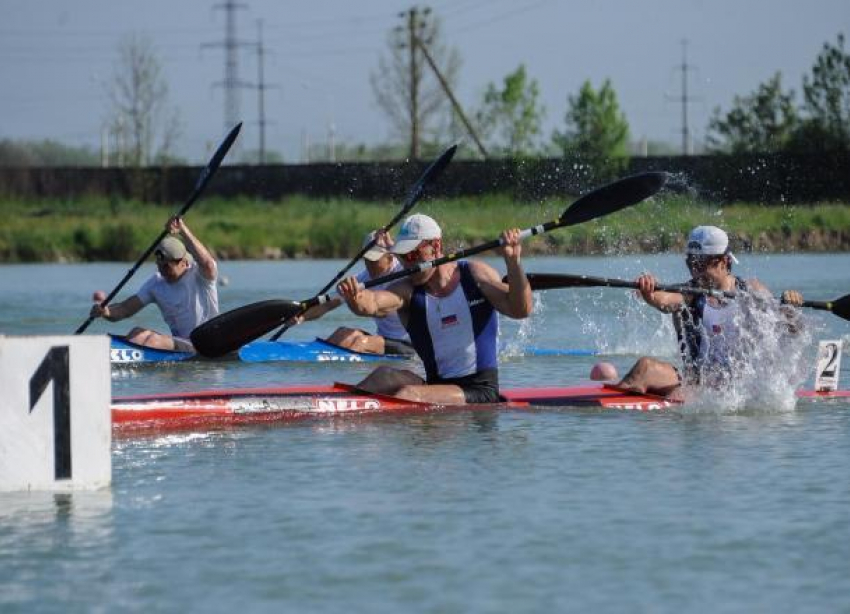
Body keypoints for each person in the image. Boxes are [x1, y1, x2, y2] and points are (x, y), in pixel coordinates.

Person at [336, 213, 533, 404]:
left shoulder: (475, 275)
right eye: (403, 257)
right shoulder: (406, 290)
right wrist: (355, 296)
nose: (408, 263)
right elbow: (372, 304)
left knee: (409, 394)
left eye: (413, 254)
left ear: (436, 245)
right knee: (384, 375)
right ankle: (336, 406)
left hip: (479, 389)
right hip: (436, 386)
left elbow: (520, 310)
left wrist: (513, 262)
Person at [616, 225, 803, 397]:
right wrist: (650, 293)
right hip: (697, 382)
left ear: (723, 261)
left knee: (677, 395)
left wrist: (790, 310)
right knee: (645, 368)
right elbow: (664, 300)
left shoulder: (751, 290)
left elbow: (792, 330)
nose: (694, 271)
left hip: (741, 386)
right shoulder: (690, 293)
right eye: (690, 263)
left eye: (700, 263)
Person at [89, 216, 219, 351]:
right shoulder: (156, 284)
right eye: (159, 266)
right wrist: (105, 311)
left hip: (205, 342)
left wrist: (183, 230)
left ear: (184, 263)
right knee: (137, 333)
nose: (162, 271)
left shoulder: (200, 276)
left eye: (167, 267)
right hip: (182, 343)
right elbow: (125, 309)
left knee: (151, 340)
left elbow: (209, 263)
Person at [290, 229, 415, 356]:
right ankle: (314, 363)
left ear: (390, 256)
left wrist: (393, 248)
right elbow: (327, 304)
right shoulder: (362, 279)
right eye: (367, 259)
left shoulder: (404, 272)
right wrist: (302, 316)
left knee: (360, 342)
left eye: (375, 260)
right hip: (384, 341)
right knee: (343, 334)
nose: (370, 265)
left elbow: (367, 307)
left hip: (411, 346)